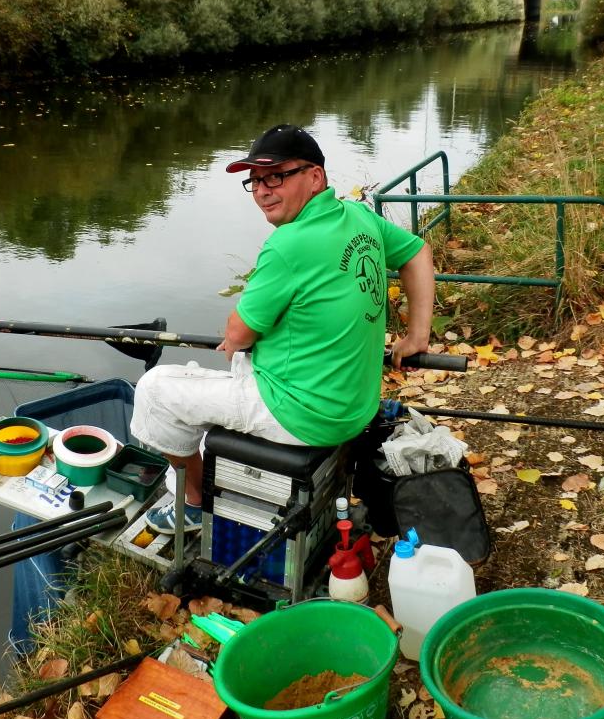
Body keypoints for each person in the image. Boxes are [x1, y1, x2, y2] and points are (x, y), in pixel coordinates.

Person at [129, 124, 435, 533]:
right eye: (254, 180)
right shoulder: (360, 217)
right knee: (224, 379)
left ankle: (193, 504)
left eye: (275, 176)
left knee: (155, 390)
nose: (262, 190)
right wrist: (418, 335)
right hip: (354, 405)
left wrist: (243, 330)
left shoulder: (288, 245)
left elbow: (237, 336)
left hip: (302, 412)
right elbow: (418, 252)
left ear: (314, 176)